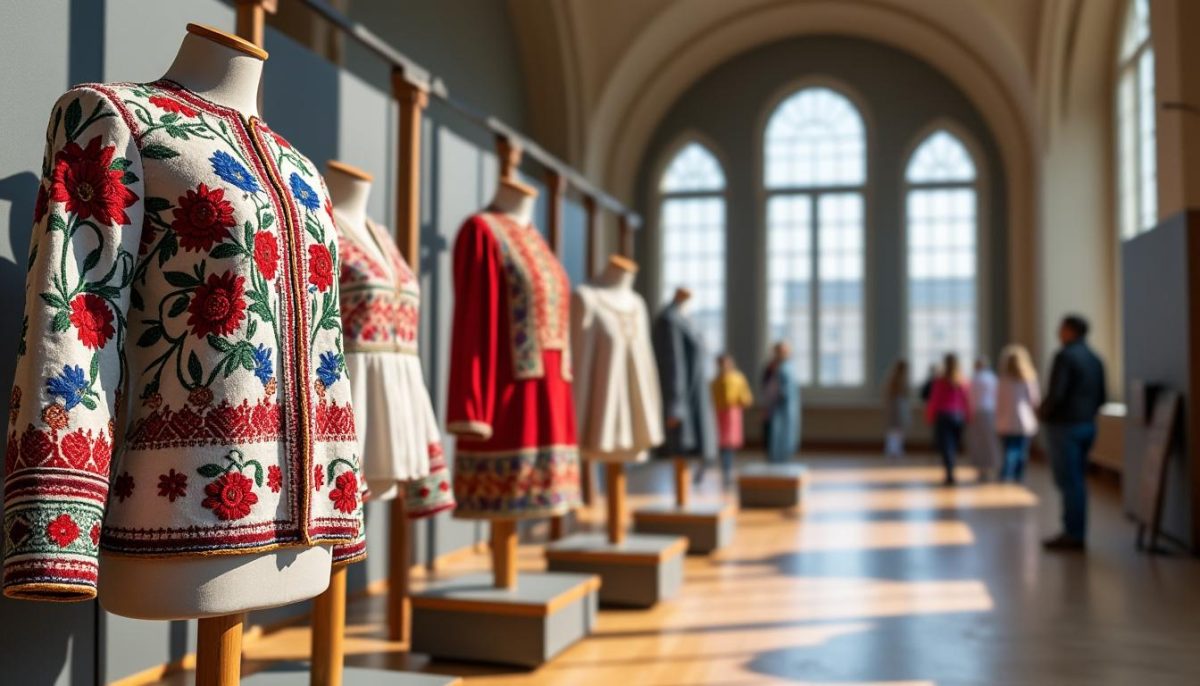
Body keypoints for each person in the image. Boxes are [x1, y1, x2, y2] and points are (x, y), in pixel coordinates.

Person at [1040, 315, 1106, 551]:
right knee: (1077, 479)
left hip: (1064, 426)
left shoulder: (1065, 356)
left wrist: (1044, 413)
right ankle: (1075, 531)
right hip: (1087, 424)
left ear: (1070, 330)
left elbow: (1057, 394)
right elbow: (1102, 397)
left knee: (1069, 480)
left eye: (1061, 328)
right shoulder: (1095, 358)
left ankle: (1073, 533)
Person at [995, 344, 1041, 483]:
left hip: (1005, 420)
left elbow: (997, 401)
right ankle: (1017, 476)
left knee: (1009, 450)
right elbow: (1034, 400)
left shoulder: (1002, 380)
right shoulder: (1028, 379)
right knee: (1020, 451)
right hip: (1023, 420)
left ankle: (1006, 473)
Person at [709, 353, 754, 487]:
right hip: (718, 414)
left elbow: (745, 397)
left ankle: (727, 471)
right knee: (720, 444)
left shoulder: (737, 378)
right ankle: (721, 470)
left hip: (732, 414)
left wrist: (741, 402)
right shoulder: (715, 381)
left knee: (728, 445)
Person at [925, 354, 970, 485]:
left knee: (946, 447)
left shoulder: (940, 381)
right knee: (953, 446)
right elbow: (966, 400)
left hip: (943, 416)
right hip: (958, 416)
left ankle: (949, 472)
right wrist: (968, 415)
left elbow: (934, 401)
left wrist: (930, 415)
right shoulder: (962, 380)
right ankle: (951, 469)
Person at [762, 341, 801, 464]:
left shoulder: (788, 367)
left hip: (787, 406)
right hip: (774, 406)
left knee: (786, 434)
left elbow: (791, 387)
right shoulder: (771, 367)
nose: (781, 354)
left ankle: (784, 458)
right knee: (773, 434)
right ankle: (774, 458)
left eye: (784, 351)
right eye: (779, 351)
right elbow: (767, 386)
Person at [966, 356, 1001, 481]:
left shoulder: (975, 379)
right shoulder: (992, 378)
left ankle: (981, 468)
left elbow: (970, 398)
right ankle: (992, 466)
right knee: (990, 441)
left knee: (979, 442)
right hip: (990, 411)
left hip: (977, 412)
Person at [882, 359, 910, 460]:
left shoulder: (902, 380)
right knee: (894, 430)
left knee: (898, 430)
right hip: (896, 406)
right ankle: (892, 450)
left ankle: (897, 449)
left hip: (899, 406)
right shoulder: (894, 380)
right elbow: (891, 395)